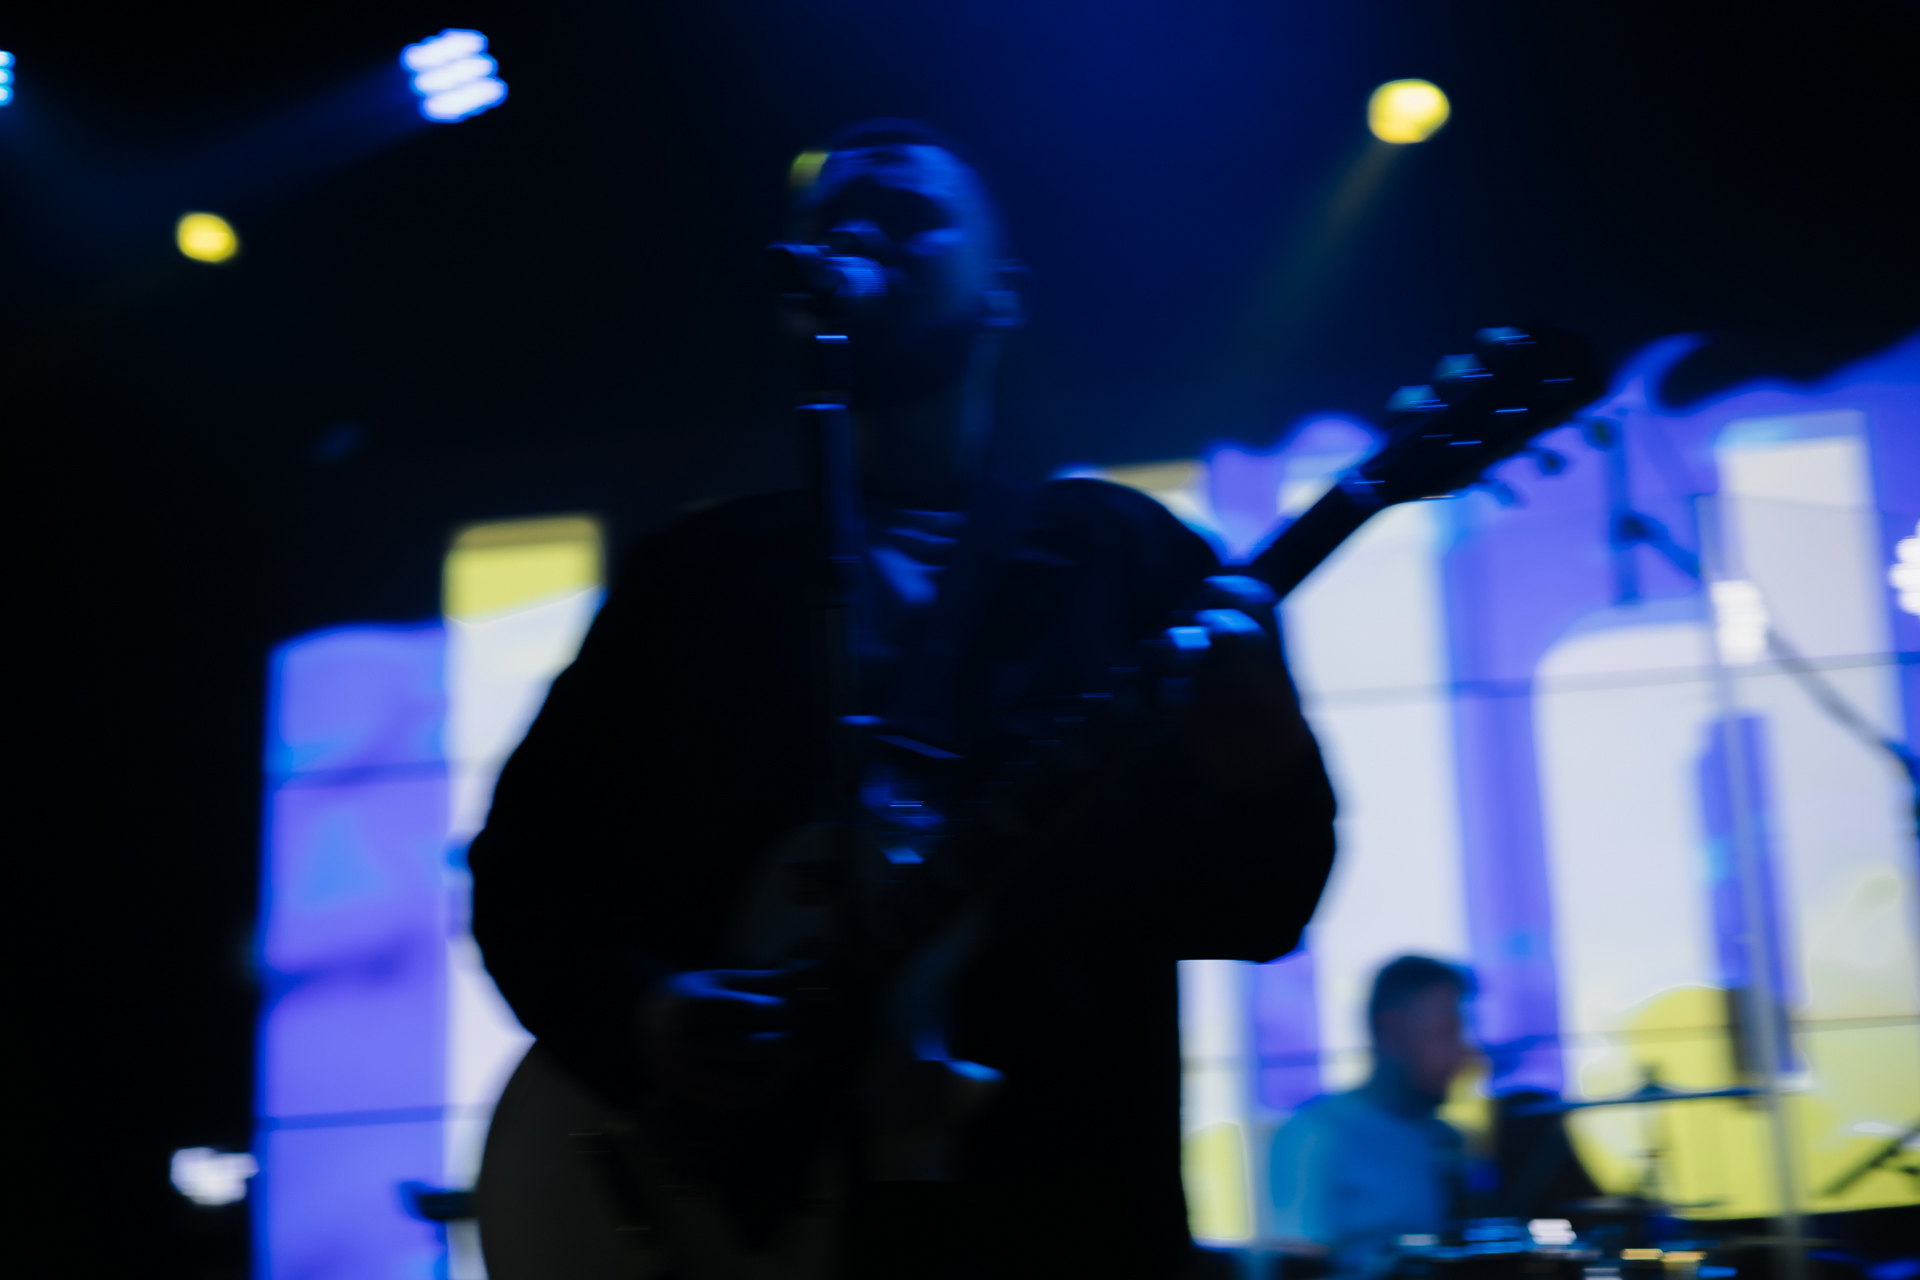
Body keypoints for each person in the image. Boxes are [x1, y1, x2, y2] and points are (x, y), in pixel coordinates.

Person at [468, 119, 1337, 1280]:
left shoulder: (1127, 562)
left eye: (911, 215)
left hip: (1056, 1218)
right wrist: (649, 1016)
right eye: (836, 223)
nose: (865, 233)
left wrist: (1264, 770)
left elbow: (1255, 910)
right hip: (737, 1215)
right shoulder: (693, 584)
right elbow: (529, 877)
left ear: (1004, 296)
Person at [1267, 956, 1475, 1279]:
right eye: (1445, 1034)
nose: (1462, 1053)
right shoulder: (1315, 1134)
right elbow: (1295, 1268)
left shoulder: (1442, 1138)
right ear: (1390, 1030)